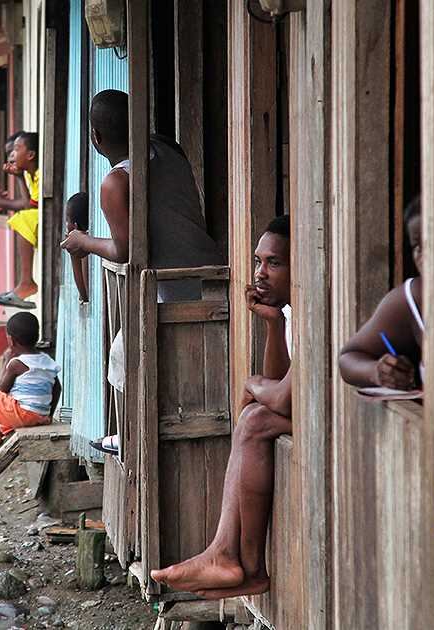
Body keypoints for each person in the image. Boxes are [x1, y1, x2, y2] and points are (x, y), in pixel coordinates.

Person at [150, 216, 292, 598]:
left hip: (340, 421)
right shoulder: (291, 311)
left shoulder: (320, 309)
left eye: (274, 263)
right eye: (258, 261)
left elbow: (283, 398)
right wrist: (273, 325)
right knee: (253, 416)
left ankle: (239, 562)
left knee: (256, 416)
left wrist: (251, 384)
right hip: (307, 414)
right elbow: (280, 382)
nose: (260, 274)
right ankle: (230, 557)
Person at [61, 89, 223, 301]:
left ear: (96, 136)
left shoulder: (115, 182)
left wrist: (83, 242)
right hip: (217, 271)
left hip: (180, 294)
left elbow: (124, 251)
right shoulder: (168, 146)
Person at [338, 198, 424, 389]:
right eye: (417, 245)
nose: (424, 255)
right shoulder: (411, 298)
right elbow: (348, 358)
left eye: (432, 242)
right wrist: (377, 371)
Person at [0, 311, 62, 487]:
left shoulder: (16, 364)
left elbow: (0, 391)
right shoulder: (47, 360)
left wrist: (7, 361)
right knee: (2, 431)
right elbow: (57, 388)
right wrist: (47, 414)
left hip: (21, 413)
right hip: (39, 416)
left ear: (10, 341)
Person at [0, 131, 41, 309]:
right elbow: (29, 204)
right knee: (22, 217)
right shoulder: (30, 175)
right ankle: (25, 283)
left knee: (23, 218)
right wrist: (18, 177)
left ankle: (27, 283)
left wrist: (2, 202)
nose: (11, 156)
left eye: (16, 150)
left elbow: (29, 207)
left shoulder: (40, 174)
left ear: (31, 155)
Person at [65, 192, 89, 303]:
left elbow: (85, 296)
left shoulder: (87, 249)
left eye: (67, 220)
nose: (65, 224)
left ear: (75, 226)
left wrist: (73, 255)